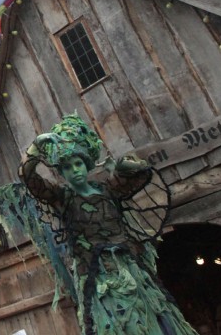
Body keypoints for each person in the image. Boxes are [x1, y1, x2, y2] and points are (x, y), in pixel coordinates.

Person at [19, 115, 198, 335]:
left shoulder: (107, 189)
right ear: (62, 173)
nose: (75, 170)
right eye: (67, 167)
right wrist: (36, 147)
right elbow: (29, 179)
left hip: (131, 268)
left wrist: (120, 165)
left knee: (157, 317)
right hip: (98, 275)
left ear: (87, 165)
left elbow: (141, 172)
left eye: (78, 164)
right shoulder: (62, 197)